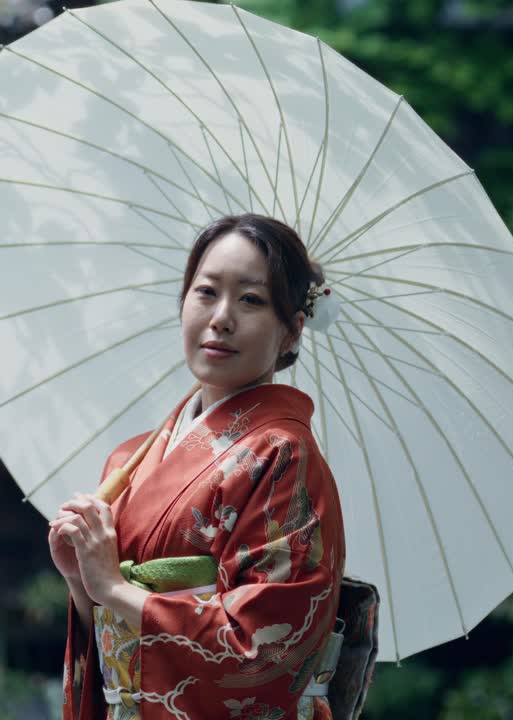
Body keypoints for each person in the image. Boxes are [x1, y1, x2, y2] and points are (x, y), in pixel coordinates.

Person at [48, 214, 347, 720]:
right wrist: (82, 584)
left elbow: (263, 650)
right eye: (206, 292)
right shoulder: (130, 458)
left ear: (293, 330)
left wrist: (116, 590)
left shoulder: (282, 456)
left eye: (251, 300)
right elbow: (110, 643)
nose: (222, 317)